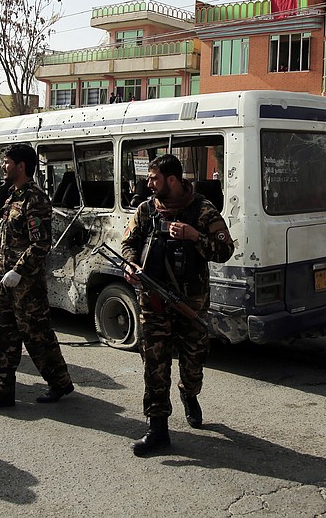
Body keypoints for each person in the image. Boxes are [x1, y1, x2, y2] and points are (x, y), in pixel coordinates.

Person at [121, 154, 234, 456]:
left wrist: (195, 236)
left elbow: (225, 250)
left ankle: (189, 392)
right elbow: (128, 244)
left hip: (191, 304)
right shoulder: (146, 210)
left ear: (172, 180)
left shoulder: (202, 210)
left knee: (193, 361)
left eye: (154, 178)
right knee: (154, 364)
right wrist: (130, 266)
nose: (149, 183)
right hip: (153, 300)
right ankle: (157, 428)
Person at [0, 143, 74, 411]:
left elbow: (41, 244)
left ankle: (60, 382)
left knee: (38, 337)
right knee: (1, 336)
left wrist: (18, 270)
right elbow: (8, 237)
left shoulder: (35, 199)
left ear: (21, 166)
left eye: (7, 162)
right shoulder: (12, 197)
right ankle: (2, 390)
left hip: (26, 285)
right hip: (6, 283)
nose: (3, 167)